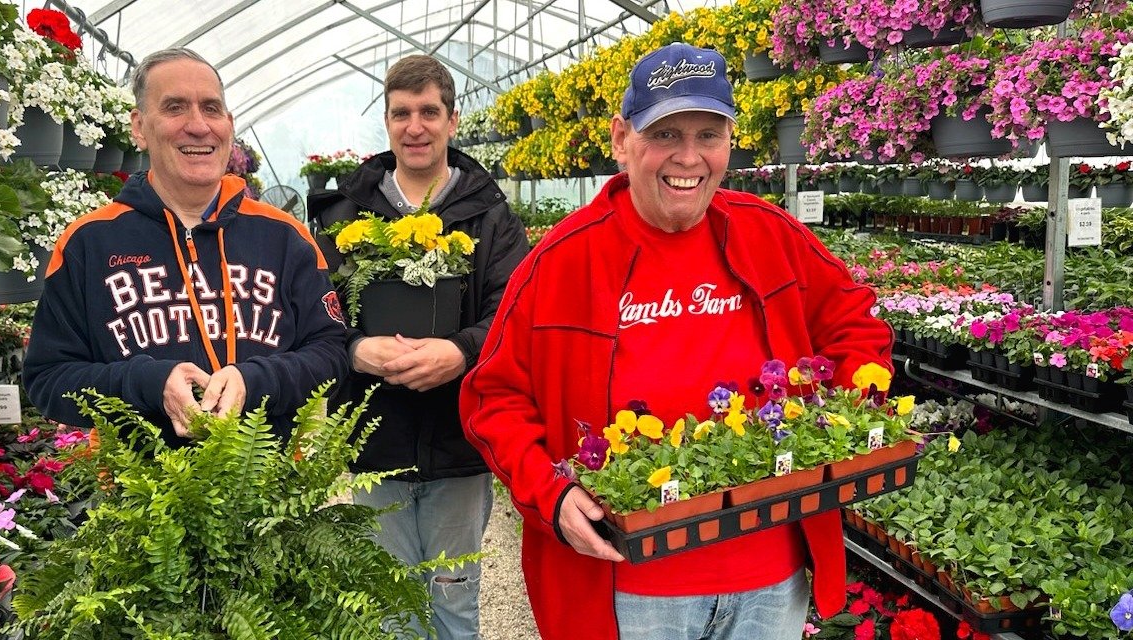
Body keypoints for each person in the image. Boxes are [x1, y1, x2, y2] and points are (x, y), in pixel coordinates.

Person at [460, 43, 894, 640]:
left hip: (771, 581)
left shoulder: (770, 236)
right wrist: (552, 495)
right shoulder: (561, 263)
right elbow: (494, 399)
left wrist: (837, 418)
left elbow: (856, 323)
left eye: (709, 135)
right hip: (630, 590)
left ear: (730, 141)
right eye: (666, 134)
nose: (689, 158)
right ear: (621, 139)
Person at [309, 54, 529, 639]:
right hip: (374, 441)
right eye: (401, 113)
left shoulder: (489, 217)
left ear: (452, 121)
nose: (415, 126)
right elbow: (314, 315)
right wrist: (356, 350)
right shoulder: (344, 215)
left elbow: (513, 312)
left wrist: (460, 352)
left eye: (429, 112)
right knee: (392, 603)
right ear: (386, 122)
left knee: (455, 601)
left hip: (459, 441)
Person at [24, 47, 348, 445]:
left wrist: (255, 382)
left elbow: (330, 353)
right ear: (140, 127)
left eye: (211, 109)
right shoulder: (88, 244)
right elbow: (48, 378)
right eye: (175, 108)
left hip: (269, 490)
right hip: (139, 498)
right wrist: (147, 383)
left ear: (229, 124)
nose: (198, 126)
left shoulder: (285, 238)